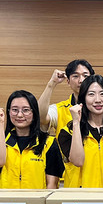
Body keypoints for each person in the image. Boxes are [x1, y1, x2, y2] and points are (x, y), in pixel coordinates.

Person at [57, 75, 103, 188]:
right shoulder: (68, 132)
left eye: (102, 94)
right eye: (91, 94)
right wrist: (76, 122)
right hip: (80, 198)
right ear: (83, 99)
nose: (98, 100)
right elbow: (78, 161)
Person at [0, 90, 64, 188]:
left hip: (37, 197)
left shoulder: (48, 143)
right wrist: (0, 123)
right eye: (15, 110)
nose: (19, 115)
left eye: (26, 110)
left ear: (34, 112)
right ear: (9, 112)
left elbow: (52, 184)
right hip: (6, 197)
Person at [37, 59, 95, 187]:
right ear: (68, 81)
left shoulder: (102, 109)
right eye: (75, 76)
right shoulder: (60, 109)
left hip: (97, 178)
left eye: (85, 76)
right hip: (68, 179)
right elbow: (40, 117)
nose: (81, 80)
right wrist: (51, 84)